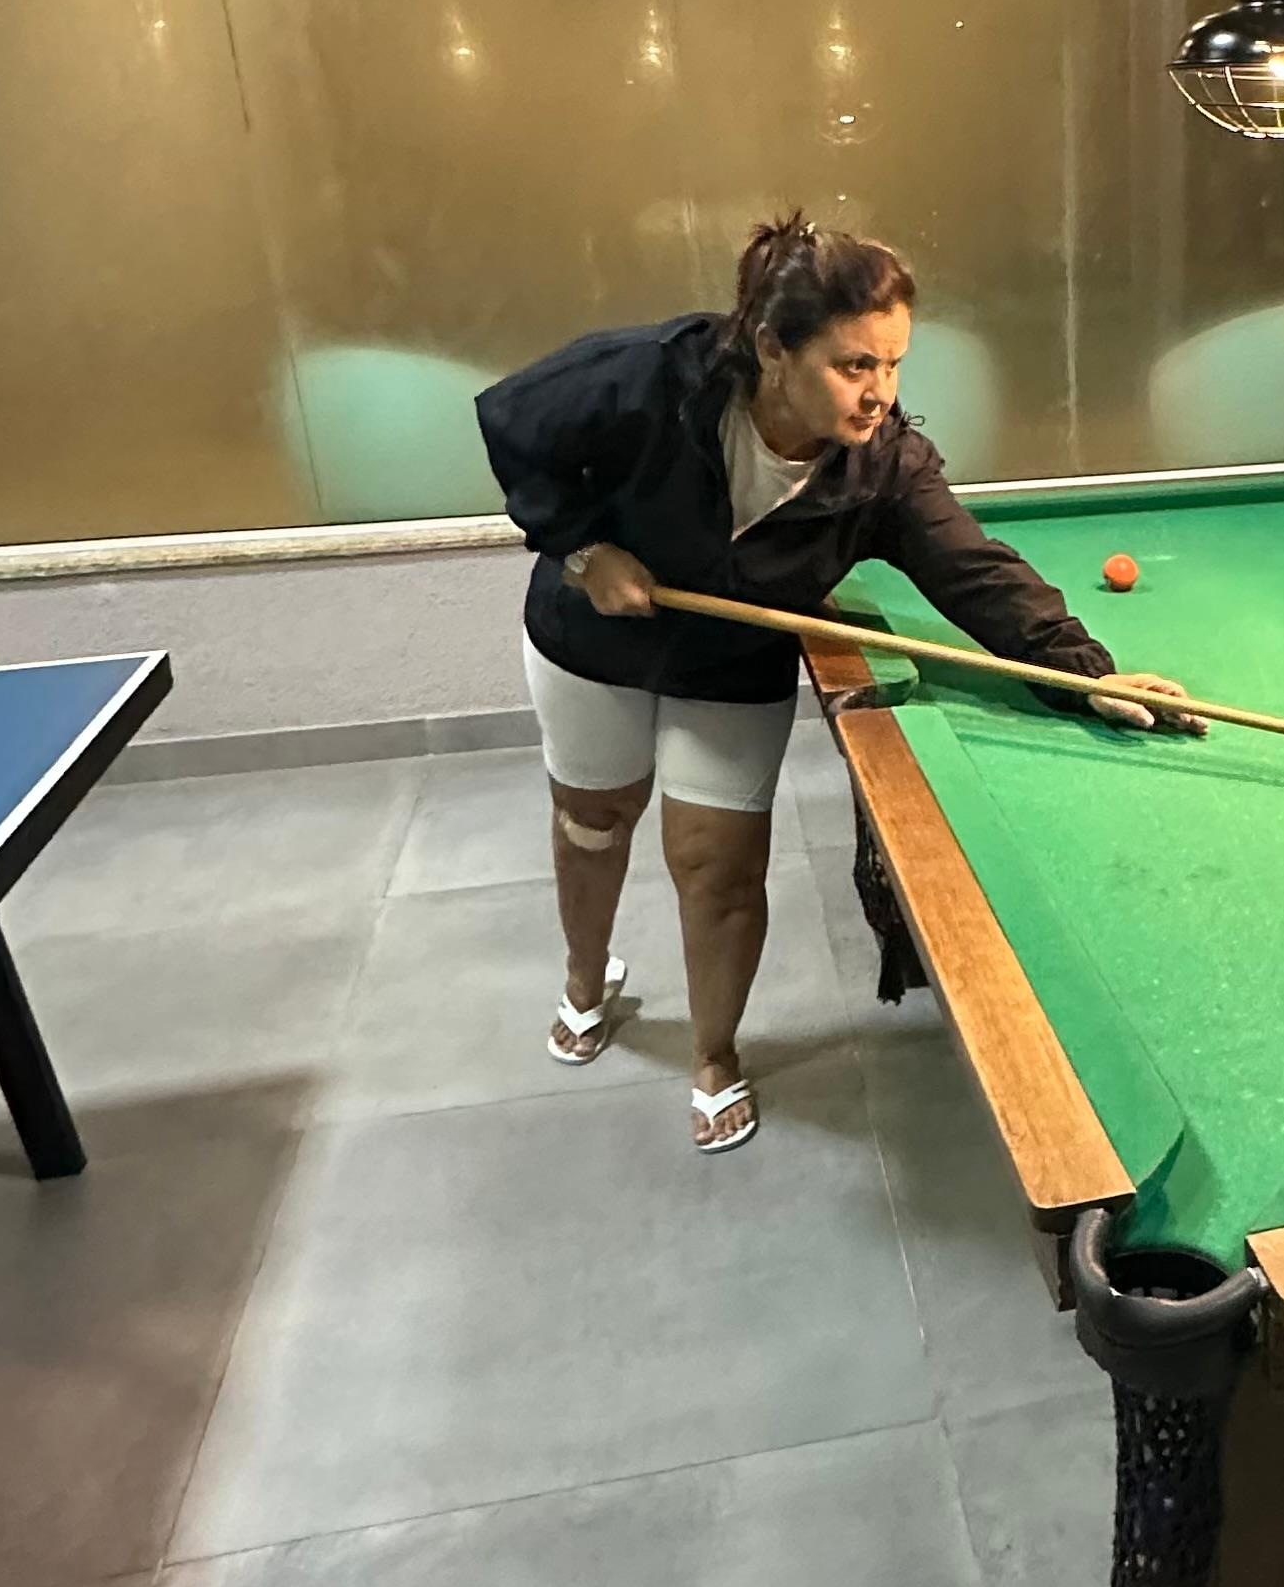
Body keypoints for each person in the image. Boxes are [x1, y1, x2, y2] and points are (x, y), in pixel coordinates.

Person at [476, 215, 1196, 1153]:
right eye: (855, 364)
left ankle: (713, 1053)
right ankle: (586, 978)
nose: (880, 392)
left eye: (893, 365)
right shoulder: (655, 376)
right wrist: (581, 549)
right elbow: (511, 420)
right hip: (592, 637)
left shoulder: (884, 465)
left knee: (717, 865)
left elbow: (972, 570)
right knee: (595, 820)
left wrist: (1083, 671)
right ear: (773, 348)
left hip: (729, 662)